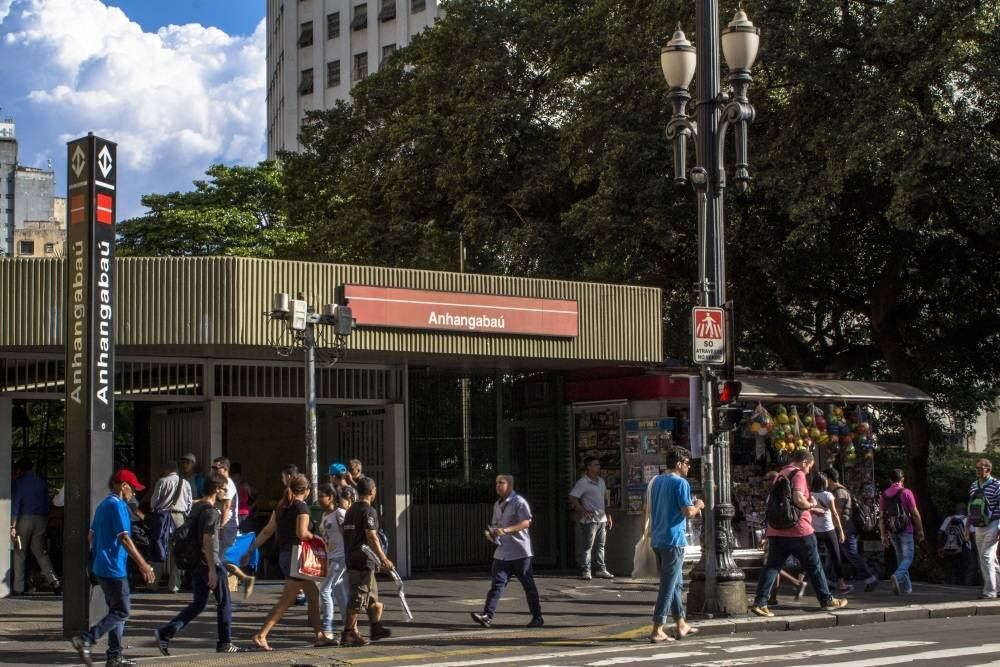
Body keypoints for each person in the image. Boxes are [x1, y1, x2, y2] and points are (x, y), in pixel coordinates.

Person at [70, 470, 157, 667]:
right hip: (113, 568)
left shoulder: (102, 505)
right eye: (133, 488)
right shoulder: (118, 506)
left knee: (116, 610)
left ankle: (114, 656)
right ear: (123, 485)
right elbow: (124, 538)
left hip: (101, 566)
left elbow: (91, 536)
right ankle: (87, 638)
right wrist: (143, 564)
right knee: (122, 611)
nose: (134, 493)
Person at [154, 472, 245, 655]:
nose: (225, 493)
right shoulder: (211, 512)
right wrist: (212, 568)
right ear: (216, 489)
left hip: (196, 562)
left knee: (199, 603)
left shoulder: (196, 508)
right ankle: (225, 643)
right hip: (208, 563)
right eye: (223, 489)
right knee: (225, 603)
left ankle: (166, 632)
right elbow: (208, 539)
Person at [749, 449, 848, 617]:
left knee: (772, 566)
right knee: (814, 566)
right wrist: (811, 504)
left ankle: (760, 602)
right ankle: (827, 599)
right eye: (809, 466)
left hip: (777, 530)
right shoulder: (799, 474)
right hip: (799, 530)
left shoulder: (781, 473)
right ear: (803, 462)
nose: (809, 470)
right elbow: (798, 499)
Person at [241, 474, 326, 651]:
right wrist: (318, 539)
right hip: (298, 557)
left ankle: (319, 635)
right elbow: (302, 533)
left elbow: (266, 532)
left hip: (286, 556)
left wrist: (250, 550)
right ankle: (261, 634)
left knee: (313, 595)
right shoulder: (302, 507)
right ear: (307, 491)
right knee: (287, 600)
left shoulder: (281, 507)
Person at [470, 475, 544, 630]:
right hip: (502, 552)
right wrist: (492, 534)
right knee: (496, 584)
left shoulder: (519, 502)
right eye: (496, 483)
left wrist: (506, 530)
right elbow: (495, 524)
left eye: (501, 483)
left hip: (520, 552)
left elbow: (526, 522)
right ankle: (487, 616)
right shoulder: (497, 504)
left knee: (528, 585)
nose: (497, 485)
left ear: (510, 485)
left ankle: (537, 617)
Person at [647, 450, 703, 642]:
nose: (689, 466)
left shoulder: (657, 481)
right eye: (687, 463)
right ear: (678, 464)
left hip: (658, 538)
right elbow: (688, 512)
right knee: (668, 585)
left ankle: (681, 624)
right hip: (673, 539)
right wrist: (699, 506)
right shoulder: (680, 483)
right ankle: (657, 628)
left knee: (676, 583)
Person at [342, 476, 393, 646]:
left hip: (353, 557)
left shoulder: (351, 510)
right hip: (362, 561)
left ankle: (375, 626)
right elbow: (371, 536)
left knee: (372, 597)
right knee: (357, 597)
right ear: (372, 491)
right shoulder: (368, 511)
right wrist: (383, 558)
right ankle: (348, 633)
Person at [10, 457, 61, 595]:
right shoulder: (41, 483)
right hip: (41, 520)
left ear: (20, 470)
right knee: (40, 552)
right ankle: (54, 581)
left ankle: (18, 587)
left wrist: (12, 526)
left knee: (20, 553)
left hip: (23, 520)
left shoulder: (19, 483)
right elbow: (46, 504)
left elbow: (16, 504)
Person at [825, 468, 878, 592]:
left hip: (845, 528)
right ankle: (830, 581)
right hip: (840, 527)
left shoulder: (839, 492)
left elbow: (836, 512)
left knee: (851, 554)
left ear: (829, 478)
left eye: (824, 478)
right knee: (832, 554)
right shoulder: (836, 491)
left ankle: (871, 577)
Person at [210, 457, 254, 599]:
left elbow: (226, 507)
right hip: (225, 525)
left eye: (217, 468)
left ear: (225, 469)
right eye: (213, 468)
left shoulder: (227, 484)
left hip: (227, 526)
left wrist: (220, 528)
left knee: (216, 558)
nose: (214, 471)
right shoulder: (222, 483)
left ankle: (217, 589)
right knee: (218, 558)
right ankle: (243, 579)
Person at [879, 468, 925, 595]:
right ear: (902, 479)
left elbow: (882, 516)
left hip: (892, 530)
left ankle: (907, 587)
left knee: (900, 557)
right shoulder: (906, 492)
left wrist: (883, 534)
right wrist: (920, 530)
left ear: (890, 480)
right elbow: (915, 513)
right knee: (908, 557)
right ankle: (897, 576)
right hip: (906, 528)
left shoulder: (884, 495)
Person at [148, 460, 192, 592]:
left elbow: (153, 502)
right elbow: (189, 503)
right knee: (177, 552)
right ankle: (174, 585)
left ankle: (153, 583)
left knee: (158, 549)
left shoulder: (162, 482)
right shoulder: (186, 483)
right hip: (179, 518)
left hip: (163, 519)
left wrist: (157, 512)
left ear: (167, 469)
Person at [569, 456, 614, 580]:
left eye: (598, 465)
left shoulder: (601, 481)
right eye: (595, 465)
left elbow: (605, 500)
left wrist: (608, 515)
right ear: (588, 467)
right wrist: (583, 510)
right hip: (590, 520)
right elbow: (573, 497)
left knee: (601, 546)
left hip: (602, 518)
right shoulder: (583, 482)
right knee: (588, 546)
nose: (598, 467)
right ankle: (586, 570)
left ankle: (601, 569)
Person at [317, 483, 351, 643]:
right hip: (330, 557)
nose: (318, 499)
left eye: (321, 496)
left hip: (340, 558)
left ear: (330, 497)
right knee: (339, 594)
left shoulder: (340, 513)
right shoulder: (325, 515)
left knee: (324, 590)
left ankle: (328, 629)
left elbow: (349, 535)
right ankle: (349, 628)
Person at [809, 472, 852, 595]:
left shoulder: (810, 494)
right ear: (824, 482)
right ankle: (841, 584)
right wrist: (841, 531)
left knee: (811, 556)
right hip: (828, 529)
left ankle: (802, 581)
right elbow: (835, 513)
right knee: (835, 556)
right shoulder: (828, 495)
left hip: (814, 530)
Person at [966, 458, 1000, 598]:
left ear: (988, 469)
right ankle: (997, 588)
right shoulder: (974, 485)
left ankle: (990, 592)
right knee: (988, 558)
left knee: (986, 557)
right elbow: (971, 507)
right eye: (977, 468)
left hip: (993, 524)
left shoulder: (997, 485)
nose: (977, 470)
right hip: (978, 526)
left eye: (980, 468)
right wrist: (967, 527)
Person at [938, 502, 974, 586]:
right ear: (965, 510)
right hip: (964, 548)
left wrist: (940, 547)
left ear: (956, 510)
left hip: (949, 548)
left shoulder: (948, 519)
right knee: (966, 567)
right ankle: (963, 585)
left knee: (952, 567)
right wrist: (975, 548)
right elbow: (973, 534)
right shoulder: (967, 520)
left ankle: (952, 583)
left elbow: (940, 533)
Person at [231, 462, 257, 532]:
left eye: (234, 475)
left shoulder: (244, 485)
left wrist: (249, 509)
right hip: (238, 514)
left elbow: (255, 498)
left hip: (242, 514)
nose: (233, 478)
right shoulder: (231, 485)